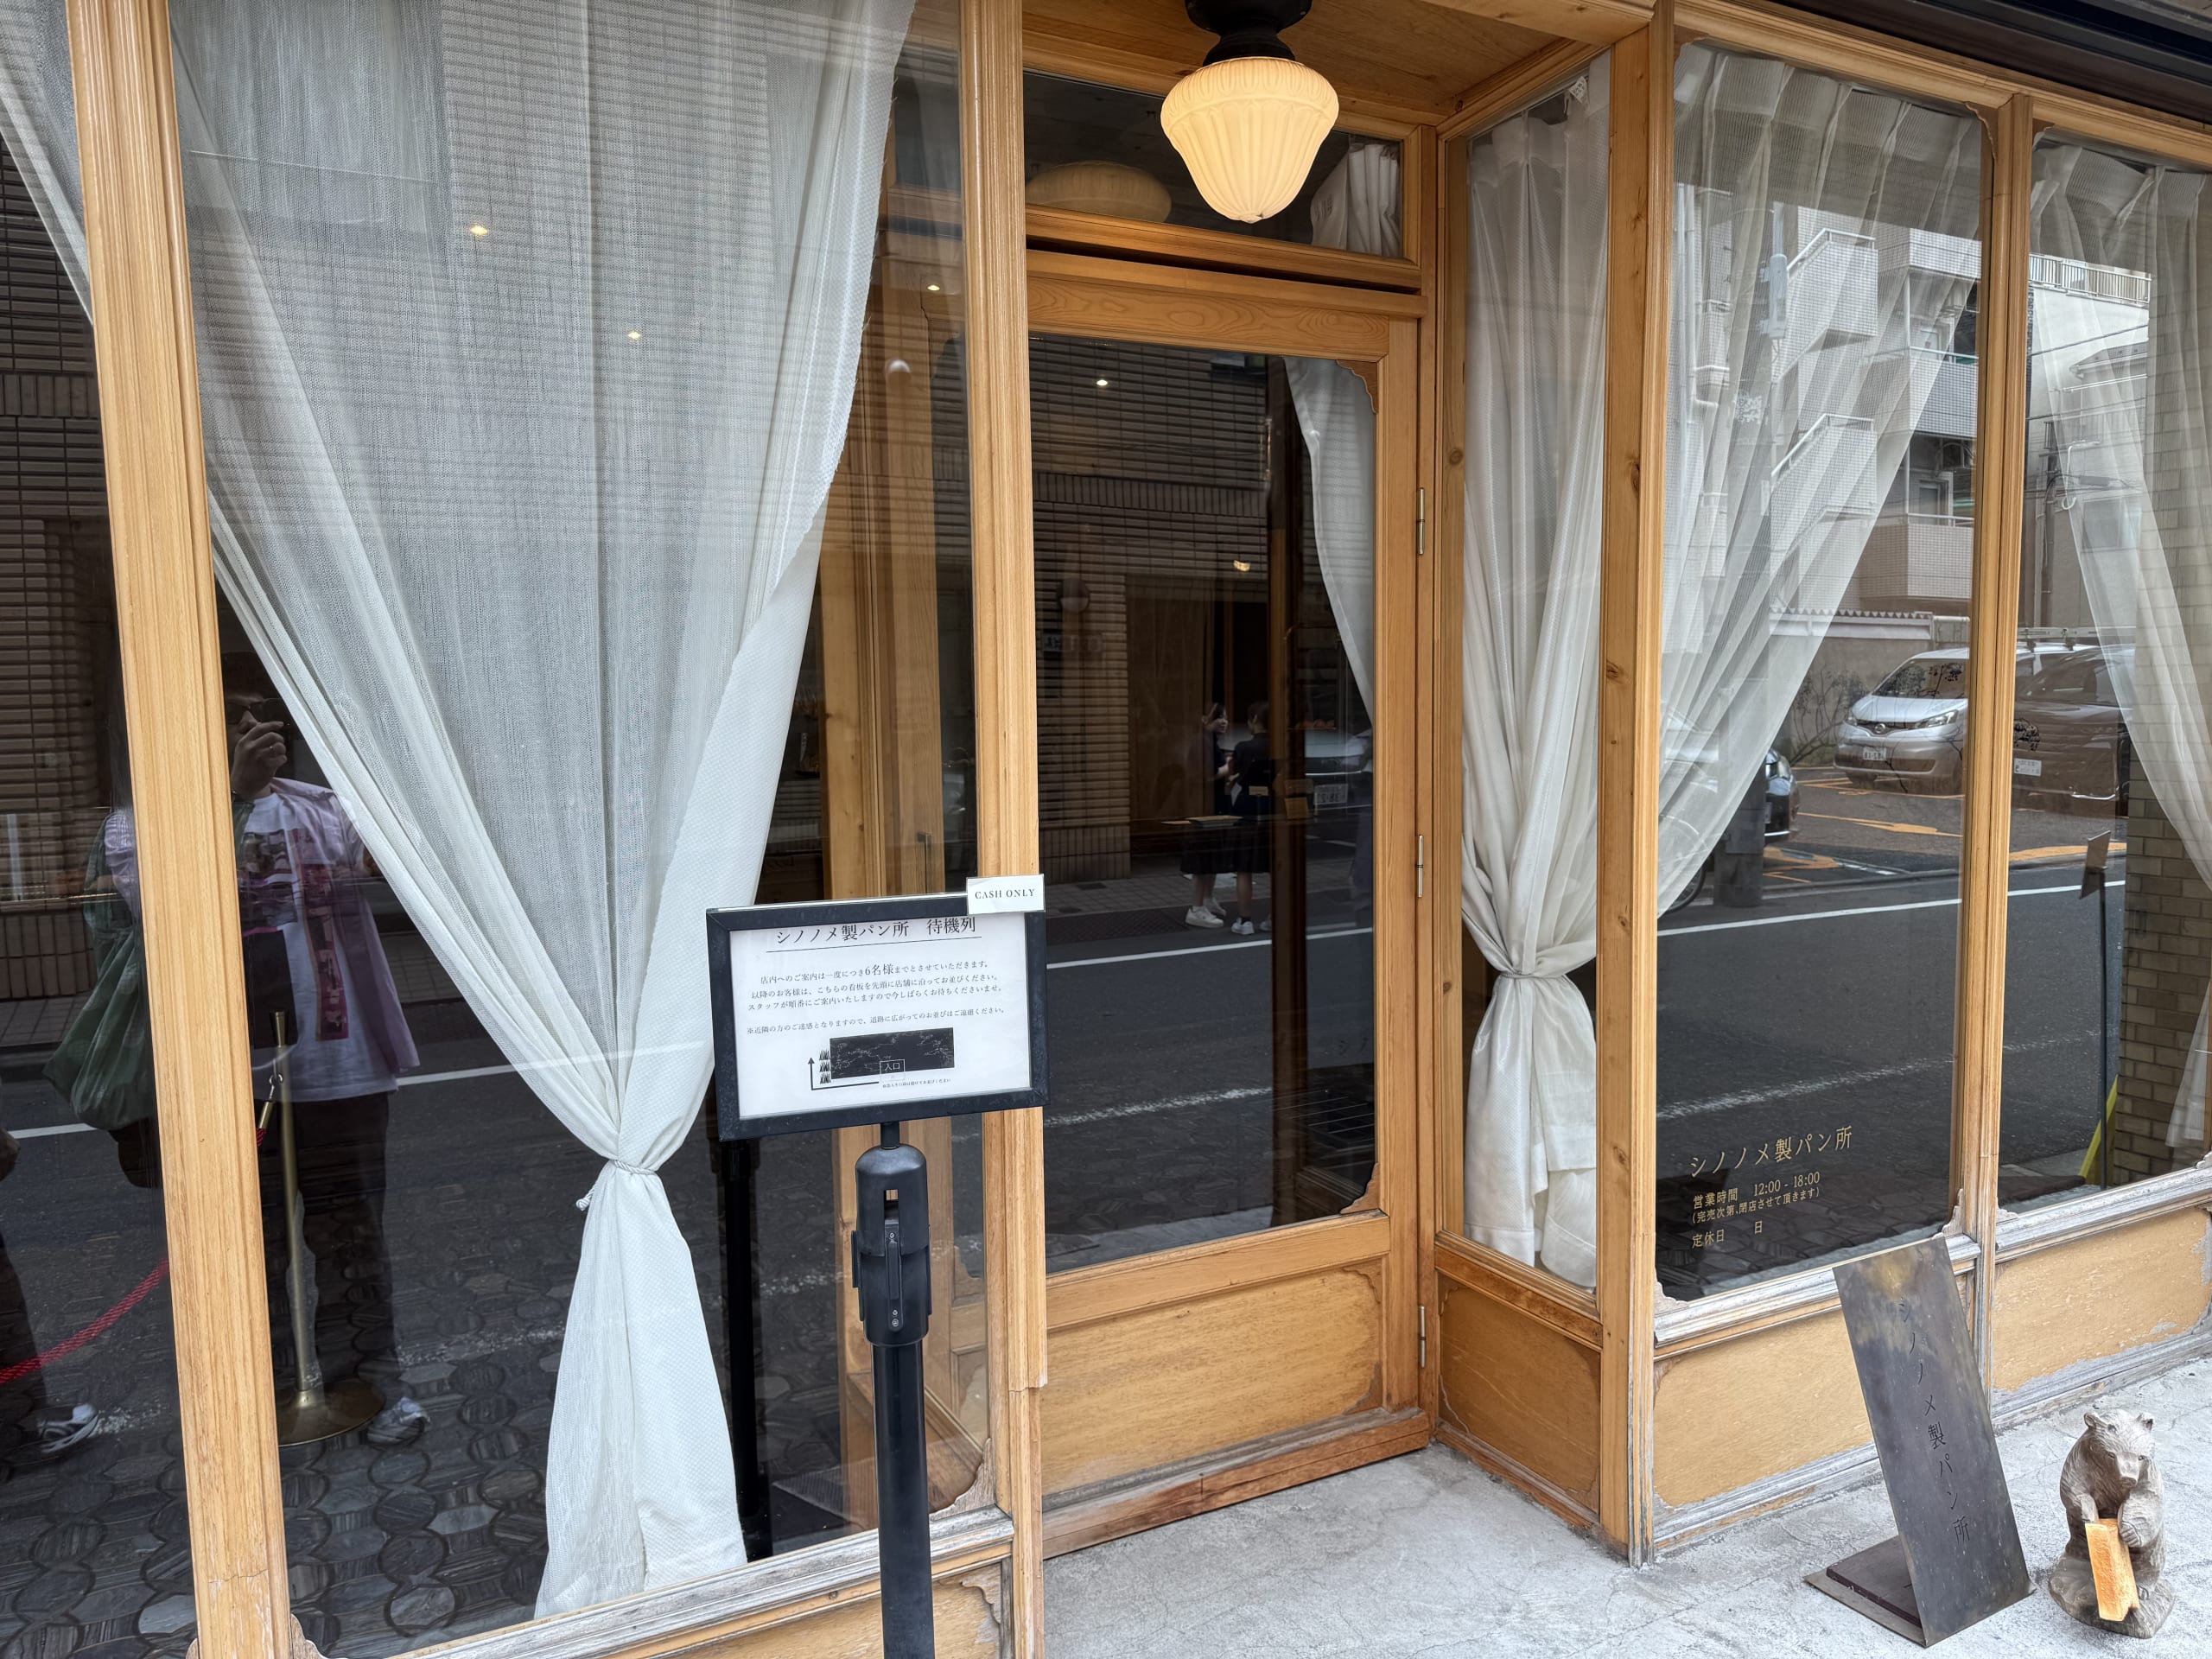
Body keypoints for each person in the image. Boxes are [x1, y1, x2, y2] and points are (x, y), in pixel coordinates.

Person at [85, 656, 427, 1446]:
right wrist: (231, 795)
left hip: (341, 1070)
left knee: (352, 1239)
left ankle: (368, 1380)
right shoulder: (141, 825)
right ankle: (262, 1397)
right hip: (228, 1079)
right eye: (231, 718)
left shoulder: (321, 810)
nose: (252, 731)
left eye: (261, 717)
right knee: (247, 1249)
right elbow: (163, 910)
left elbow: (403, 852)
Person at [1180, 702, 1232, 929]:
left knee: (1211, 857)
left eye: (1225, 717)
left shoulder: (1210, 742)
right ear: (1203, 720)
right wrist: (1231, 767)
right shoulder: (1202, 742)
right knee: (1203, 859)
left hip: (1212, 807)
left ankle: (1208, 900)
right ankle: (1197, 907)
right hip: (1204, 810)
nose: (1222, 721)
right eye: (1217, 717)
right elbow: (1207, 775)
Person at [1227, 701, 1274, 937]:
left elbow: (1234, 772)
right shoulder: (1281, 746)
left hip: (1247, 806)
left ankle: (1245, 921)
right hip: (1273, 806)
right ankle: (1275, 916)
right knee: (1277, 864)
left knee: (1244, 867)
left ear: (1254, 719)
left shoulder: (1243, 747)